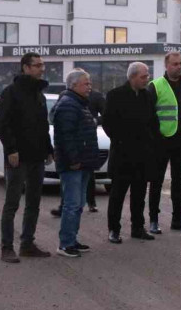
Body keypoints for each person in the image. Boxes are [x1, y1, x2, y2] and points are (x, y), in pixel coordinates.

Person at [0, 52, 54, 263]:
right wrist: (11, 149)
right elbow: (1, 123)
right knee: (12, 203)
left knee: (34, 203)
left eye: (42, 65)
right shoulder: (11, 92)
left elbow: (42, 125)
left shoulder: (39, 93)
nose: (41, 69)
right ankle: (7, 247)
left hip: (37, 157)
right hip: (18, 157)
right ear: (26, 68)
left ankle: (27, 244)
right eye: (37, 65)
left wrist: (48, 149)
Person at [104, 62, 159, 243]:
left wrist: (152, 143)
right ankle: (114, 229)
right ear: (132, 77)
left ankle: (137, 227)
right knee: (117, 195)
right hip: (123, 155)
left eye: (147, 76)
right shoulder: (115, 96)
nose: (147, 79)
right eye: (144, 76)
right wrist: (121, 140)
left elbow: (153, 122)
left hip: (143, 155)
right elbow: (108, 123)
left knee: (139, 194)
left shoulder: (147, 96)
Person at [146, 52, 181, 233]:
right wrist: (156, 137)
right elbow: (148, 115)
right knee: (156, 181)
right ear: (166, 66)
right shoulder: (155, 86)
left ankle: (178, 219)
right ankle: (153, 220)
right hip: (161, 142)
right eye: (175, 64)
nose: (179, 66)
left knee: (178, 181)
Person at [51, 69, 101, 258]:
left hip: (83, 163)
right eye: (86, 83)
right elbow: (66, 137)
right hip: (74, 165)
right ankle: (65, 244)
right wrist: (73, 160)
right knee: (72, 204)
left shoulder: (79, 104)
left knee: (78, 204)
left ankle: (72, 240)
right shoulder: (68, 105)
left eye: (89, 83)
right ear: (74, 85)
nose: (90, 87)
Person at [51, 88, 105, 217]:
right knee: (69, 182)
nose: (88, 85)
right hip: (75, 146)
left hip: (87, 143)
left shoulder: (95, 96)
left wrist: (95, 121)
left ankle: (91, 202)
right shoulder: (65, 98)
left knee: (88, 175)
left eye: (88, 83)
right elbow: (55, 117)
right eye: (85, 83)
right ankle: (64, 206)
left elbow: (107, 113)